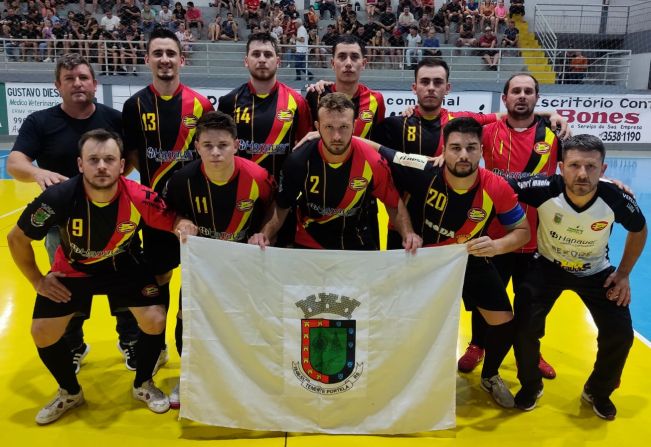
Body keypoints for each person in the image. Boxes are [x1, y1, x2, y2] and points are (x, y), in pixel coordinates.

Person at [7, 129, 182, 425]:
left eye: (109, 159)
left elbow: (176, 222)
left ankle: (143, 384)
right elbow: (16, 239)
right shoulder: (58, 197)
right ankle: (70, 392)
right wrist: (38, 280)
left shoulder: (141, 196)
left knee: (155, 320)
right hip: (73, 269)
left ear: (121, 164)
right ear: (80, 164)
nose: (101, 166)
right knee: (42, 332)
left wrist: (186, 226)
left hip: (124, 266)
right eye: (94, 160)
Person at [375, 116, 531, 408]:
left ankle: (491, 376)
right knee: (405, 322)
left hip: (469, 259)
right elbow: (377, 148)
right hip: (425, 264)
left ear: (481, 151)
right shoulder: (423, 169)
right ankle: (403, 376)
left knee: (504, 323)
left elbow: (522, 232)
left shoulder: (495, 187)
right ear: (443, 151)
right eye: (456, 148)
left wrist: (496, 246)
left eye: (471, 148)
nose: (463, 155)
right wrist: (314, 137)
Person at [6, 53, 141, 374]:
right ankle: (74, 344)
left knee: (123, 280)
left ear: (95, 83)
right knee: (66, 286)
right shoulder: (40, 122)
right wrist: (38, 174)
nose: (77, 84)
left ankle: (131, 341)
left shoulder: (114, 119)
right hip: (60, 225)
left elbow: (132, 158)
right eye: (69, 79)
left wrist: (113, 186)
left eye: (83, 77)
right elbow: (15, 163)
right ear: (57, 85)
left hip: (114, 219)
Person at [511, 134, 647, 420]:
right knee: (523, 326)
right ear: (560, 167)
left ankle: (598, 390)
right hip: (547, 267)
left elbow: (639, 229)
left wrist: (623, 274)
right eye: (574, 166)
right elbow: (494, 177)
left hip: (597, 272)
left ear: (604, 170)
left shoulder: (616, 198)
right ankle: (530, 384)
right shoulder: (544, 187)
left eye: (591, 166)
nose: (582, 174)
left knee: (620, 335)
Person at [162, 111, 275, 409]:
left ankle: (249, 378)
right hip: (203, 267)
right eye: (208, 145)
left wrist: (264, 233)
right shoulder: (182, 181)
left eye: (223, 145)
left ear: (236, 145)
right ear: (196, 146)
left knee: (249, 320)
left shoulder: (258, 178)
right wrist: (181, 222)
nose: (215, 152)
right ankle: (188, 376)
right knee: (187, 315)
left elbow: (274, 212)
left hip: (245, 265)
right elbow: (171, 213)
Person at [122, 28, 214, 378]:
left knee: (194, 284)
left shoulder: (201, 105)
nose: (164, 59)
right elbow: (130, 159)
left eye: (170, 53)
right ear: (147, 59)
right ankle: (157, 347)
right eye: (157, 53)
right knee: (159, 278)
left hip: (198, 213)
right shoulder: (135, 105)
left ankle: (192, 353)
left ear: (181, 59)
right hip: (156, 214)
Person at [464, 73, 562, 380]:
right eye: (515, 91)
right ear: (504, 99)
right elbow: (454, 119)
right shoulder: (486, 131)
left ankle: (532, 350)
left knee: (532, 301)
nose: (522, 96)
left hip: (537, 238)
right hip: (493, 234)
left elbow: (576, 172)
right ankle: (477, 345)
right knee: (486, 296)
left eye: (528, 91)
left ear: (537, 97)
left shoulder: (554, 136)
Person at [248, 92, 421, 252]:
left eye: (344, 127)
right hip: (309, 244)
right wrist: (264, 234)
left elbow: (392, 203)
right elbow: (282, 205)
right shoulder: (299, 160)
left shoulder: (373, 161)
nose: (336, 136)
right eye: (329, 127)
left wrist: (408, 234)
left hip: (357, 243)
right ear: (317, 126)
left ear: (354, 126)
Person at [218, 32, 311, 246]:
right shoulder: (228, 102)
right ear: (246, 60)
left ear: (278, 61)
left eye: (268, 54)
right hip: (237, 200)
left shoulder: (297, 102)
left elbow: (303, 150)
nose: (261, 59)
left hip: (281, 202)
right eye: (256, 54)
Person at [305, 35, 386, 247]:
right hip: (321, 196)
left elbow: (377, 146)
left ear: (363, 63)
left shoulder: (376, 101)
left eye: (354, 57)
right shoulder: (316, 95)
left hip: (362, 198)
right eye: (342, 57)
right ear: (332, 63)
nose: (348, 63)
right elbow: (304, 143)